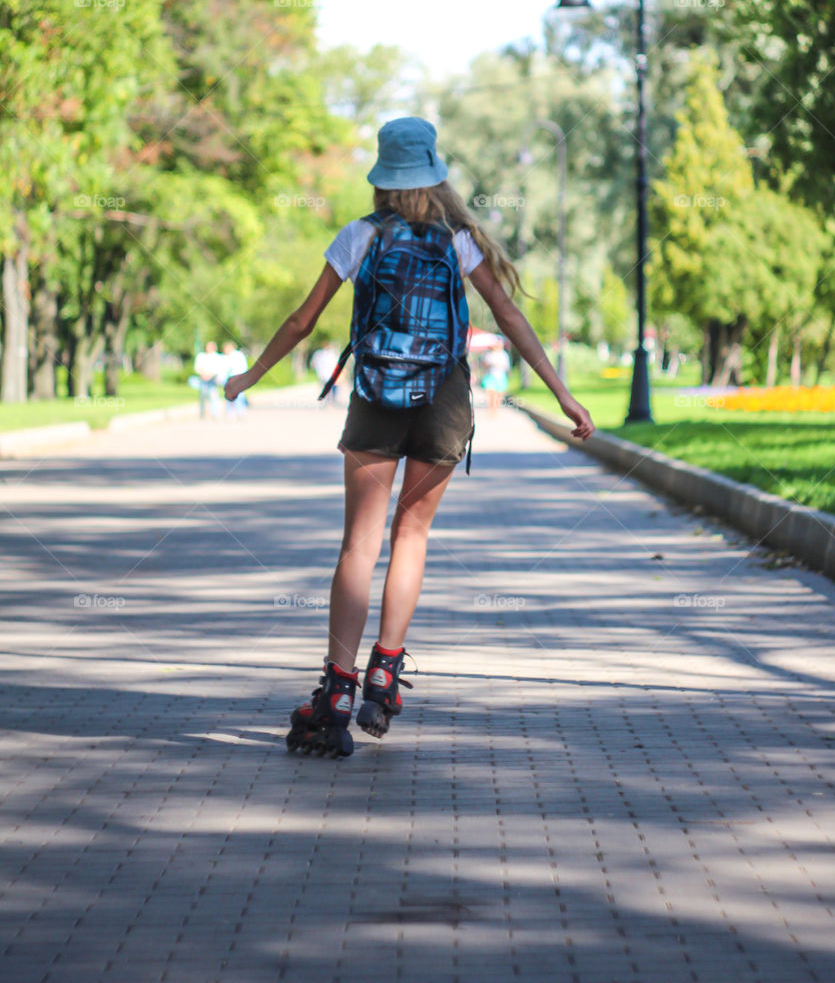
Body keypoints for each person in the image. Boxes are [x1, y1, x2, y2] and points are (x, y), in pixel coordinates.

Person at [224, 116, 595, 758]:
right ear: (433, 172)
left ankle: (336, 691)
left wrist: (249, 376)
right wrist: (562, 394)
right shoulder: (459, 241)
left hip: (376, 398)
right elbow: (507, 315)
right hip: (443, 402)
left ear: (382, 176)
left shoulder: (360, 235)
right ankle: (384, 675)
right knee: (412, 536)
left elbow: (302, 320)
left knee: (358, 544)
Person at [480, 337, 511, 415]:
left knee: (499, 395)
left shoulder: (504, 355)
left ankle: (496, 408)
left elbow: (506, 366)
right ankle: (491, 409)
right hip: (491, 375)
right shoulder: (489, 354)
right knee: (491, 393)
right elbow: (484, 364)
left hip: (500, 376)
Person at [193, 341, 224, 419]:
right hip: (203, 378)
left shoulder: (217, 357)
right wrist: (202, 373)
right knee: (202, 396)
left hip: (212, 379)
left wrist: (210, 375)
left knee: (214, 396)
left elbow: (219, 368)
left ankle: (215, 413)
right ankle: (202, 413)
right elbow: (197, 367)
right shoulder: (201, 356)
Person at [221, 341, 249, 417]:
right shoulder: (225, 356)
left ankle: (240, 412)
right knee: (230, 395)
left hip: (237, 377)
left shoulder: (238, 355)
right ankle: (231, 412)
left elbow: (243, 367)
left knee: (239, 395)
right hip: (229, 378)